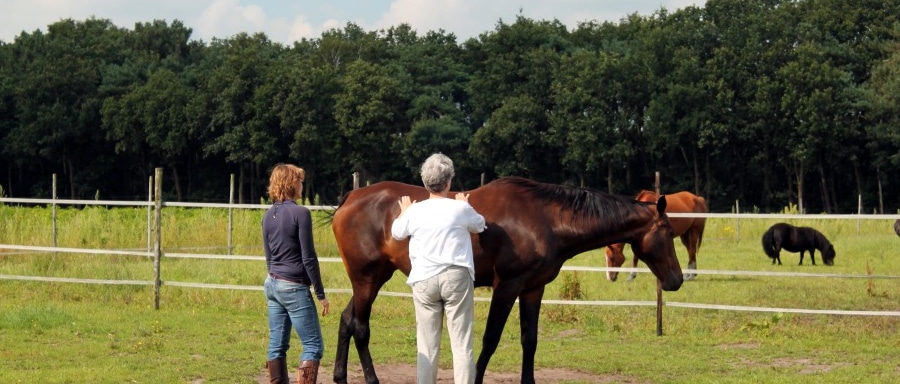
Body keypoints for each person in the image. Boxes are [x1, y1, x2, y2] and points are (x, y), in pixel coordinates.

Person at [390, 153, 486, 384]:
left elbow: (397, 232)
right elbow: (480, 225)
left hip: (424, 279)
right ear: (449, 182)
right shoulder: (460, 209)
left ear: (425, 183)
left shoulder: (415, 211)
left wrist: (404, 212)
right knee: (462, 344)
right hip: (456, 276)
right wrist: (466, 205)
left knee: (427, 346)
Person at [262, 163, 330, 384]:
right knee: (313, 345)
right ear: (291, 183)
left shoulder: (267, 216)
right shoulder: (301, 213)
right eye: (300, 181)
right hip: (293, 285)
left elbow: (269, 257)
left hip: (272, 283)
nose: (302, 185)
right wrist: (320, 294)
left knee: (276, 345)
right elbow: (308, 257)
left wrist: (276, 281)